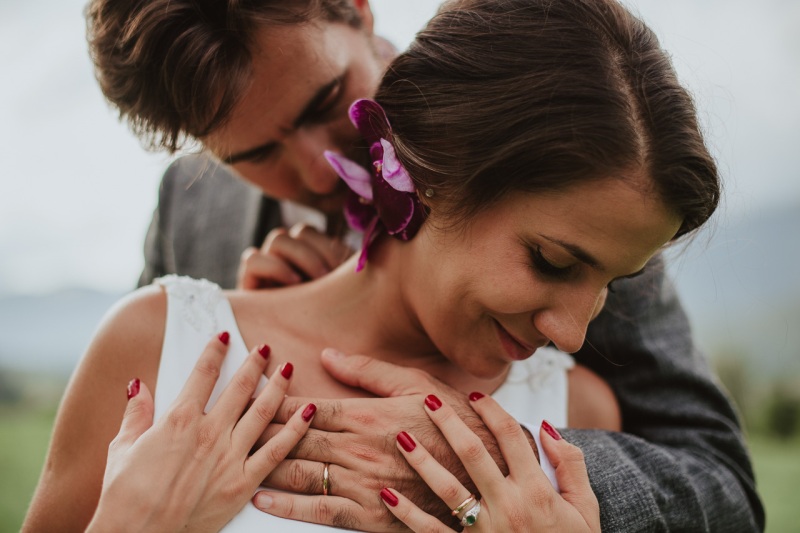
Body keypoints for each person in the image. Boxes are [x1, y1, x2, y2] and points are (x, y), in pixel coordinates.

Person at [55, 0, 762, 531]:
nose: (318, 166)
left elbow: (718, 474)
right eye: (254, 157)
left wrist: (507, 467)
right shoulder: (177, 270)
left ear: (357, 12)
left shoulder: (580, 155)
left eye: (327, 100)